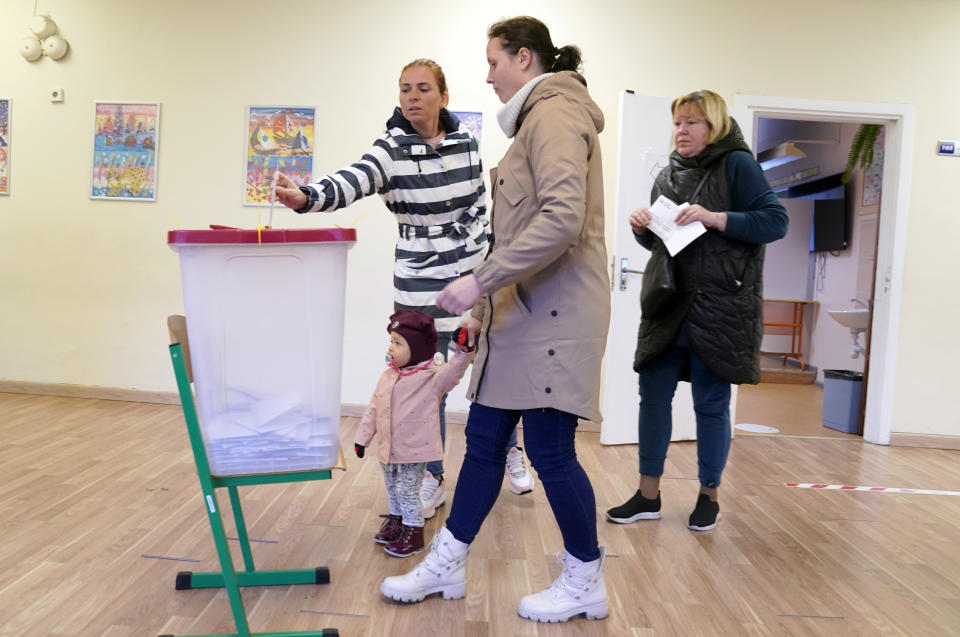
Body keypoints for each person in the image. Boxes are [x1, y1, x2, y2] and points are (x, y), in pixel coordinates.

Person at [379, 17, 610, 624]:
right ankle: (447, 563)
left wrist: (478, 282)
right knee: (483, 442)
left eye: (494, 61)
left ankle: (585, 578)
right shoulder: (535, 121)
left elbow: (561, 219)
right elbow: (512, 229)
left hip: (555, 315)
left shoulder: (557, 114)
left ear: (525, 57)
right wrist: (484, 308)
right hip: (520, 314)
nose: (488, 75)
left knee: (552, 452)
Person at [274, 59, 534, 518]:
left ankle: (511, 447)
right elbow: (355, 177)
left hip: (474, 278)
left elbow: (481, 205)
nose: (413, 96)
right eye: (405, 89)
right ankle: (430, 478)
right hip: (420, 291)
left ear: (443, 96)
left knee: (494, 369)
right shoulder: (390, 148)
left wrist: (491, 262)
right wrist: (308, 196)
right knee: (422, 389)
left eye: (423, 88)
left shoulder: (466, 143)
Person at [605, 90, 788, 532]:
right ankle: (648, 495)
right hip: (669, 305)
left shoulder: (738, 164)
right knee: (652, 399)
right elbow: (665, 244)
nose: (680, 131)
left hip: (719, 307)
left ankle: (709, 495)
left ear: (714, 127)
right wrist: (643, 231)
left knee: (710, 404)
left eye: (691, 123)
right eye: (677, 122)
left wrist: (716, 217)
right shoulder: (668, 174)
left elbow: (775, 221)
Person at [353, 310, 473, 557]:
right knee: (392, 487)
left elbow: (454, 371)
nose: (392, 347)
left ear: (417, 348)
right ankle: (397, 521)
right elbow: (373, 408)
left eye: (398, 343)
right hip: (387, 448)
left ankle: (414, 531)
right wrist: (361, 438)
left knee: (407, 490)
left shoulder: (432, 379)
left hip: (414, 450)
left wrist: (463, 351)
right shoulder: (387, 377)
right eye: (391, 341)